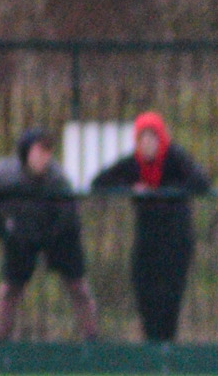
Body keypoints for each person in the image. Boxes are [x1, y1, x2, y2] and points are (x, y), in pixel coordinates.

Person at [90, 111, 211, 343]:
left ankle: (167, 345)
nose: (147, 145)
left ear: (161, 138)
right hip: (147, 238)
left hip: (176, 237)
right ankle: (151, 343)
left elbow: (201, 182)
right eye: (142, 140)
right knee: (144, 289)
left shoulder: (175, 157)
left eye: (152, 139)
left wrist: (164, 193)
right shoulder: (133, 163)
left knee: (171, 293)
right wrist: (131, 190)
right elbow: (99, 183)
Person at [0, 130, 98, 342]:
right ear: (25, 153)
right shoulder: (2, 176)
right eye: (38, 151)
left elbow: (68, 214)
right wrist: (4, 231)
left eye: (47, 151)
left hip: (59, 235)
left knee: (78, 287)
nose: (44, 157)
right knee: (10, 289)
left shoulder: (57, 179)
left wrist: (51, 239)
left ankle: (92, 340)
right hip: (21, 236)